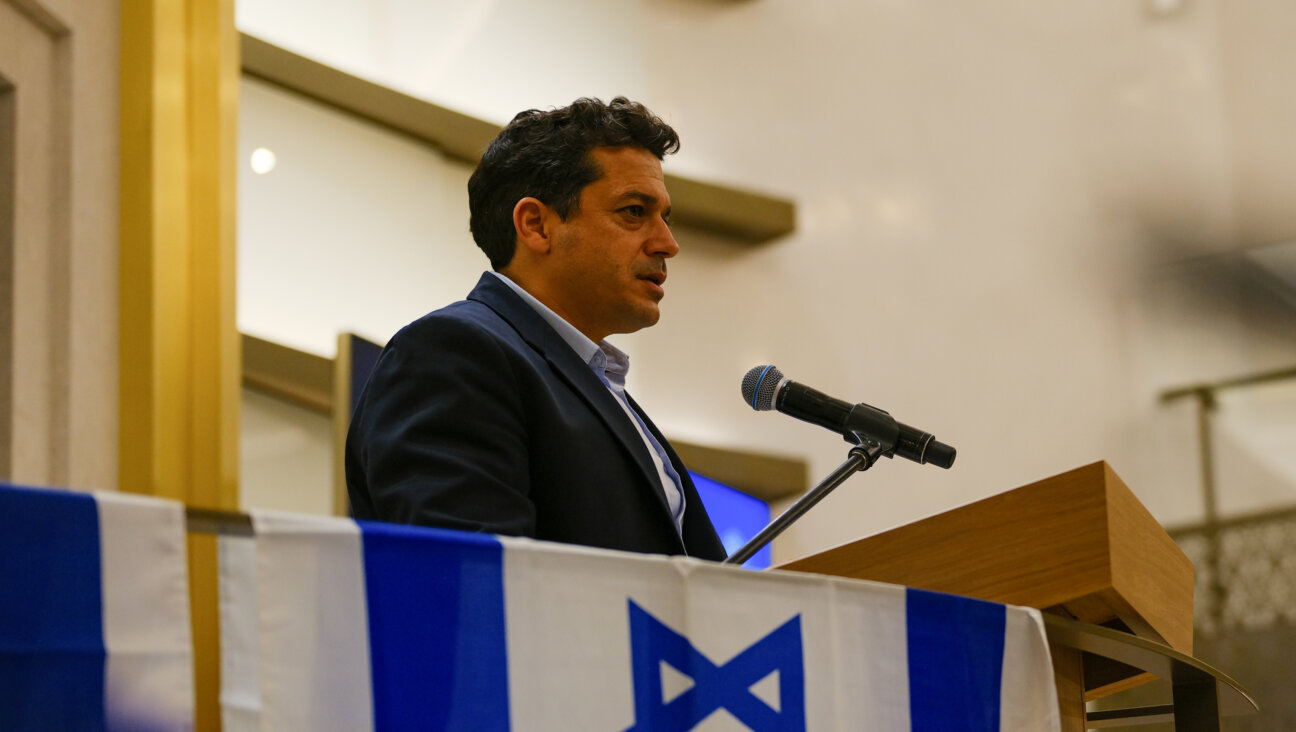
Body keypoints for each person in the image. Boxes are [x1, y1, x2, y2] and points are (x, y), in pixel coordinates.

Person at [346, 97, 727, 560]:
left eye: (664, 217)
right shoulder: (454, 354)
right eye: (633, 212)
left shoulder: (595, 381)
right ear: (535, 225)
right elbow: (474, 586)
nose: (668, 244)